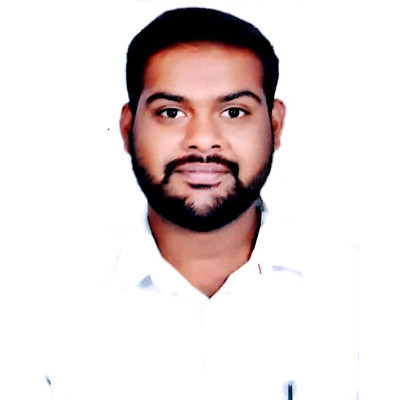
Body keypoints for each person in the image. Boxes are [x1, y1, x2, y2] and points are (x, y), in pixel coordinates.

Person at [34, 7, 358, 400]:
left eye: (233, 112)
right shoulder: (42, 303)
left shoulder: (359, 292)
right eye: (171, 112)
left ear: (274, 125)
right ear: (128, 126)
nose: (203, 139)